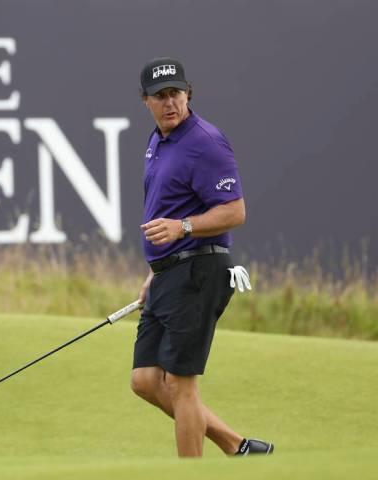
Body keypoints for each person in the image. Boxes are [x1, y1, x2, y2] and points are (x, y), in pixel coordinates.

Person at [131, 57, 274, 457]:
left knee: (180, 384)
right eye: (160, 96)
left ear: (188, 93)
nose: (170, 102)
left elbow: (235, 211)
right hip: (169, 272)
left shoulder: (205, 142)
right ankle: (236, 445)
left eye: (176, 93)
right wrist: (153, 271)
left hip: (199, 271)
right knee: (145, 380)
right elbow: (163, 206)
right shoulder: (157, 140)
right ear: (145, 101)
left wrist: (184, 228)